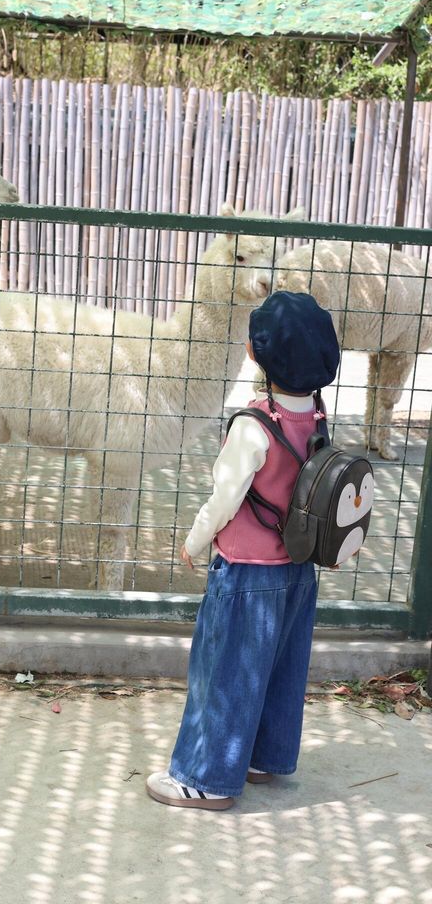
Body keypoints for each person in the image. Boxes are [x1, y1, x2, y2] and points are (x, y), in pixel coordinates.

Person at [147, 290, 341, 811]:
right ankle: (264, 757)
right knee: (280, 665)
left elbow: (225, 498)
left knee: (225, 670)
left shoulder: (254, 426)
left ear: (255, 355)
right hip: (299, 572)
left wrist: (195, 540)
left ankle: (205, 778)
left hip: (248, 575)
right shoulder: (319, 417)